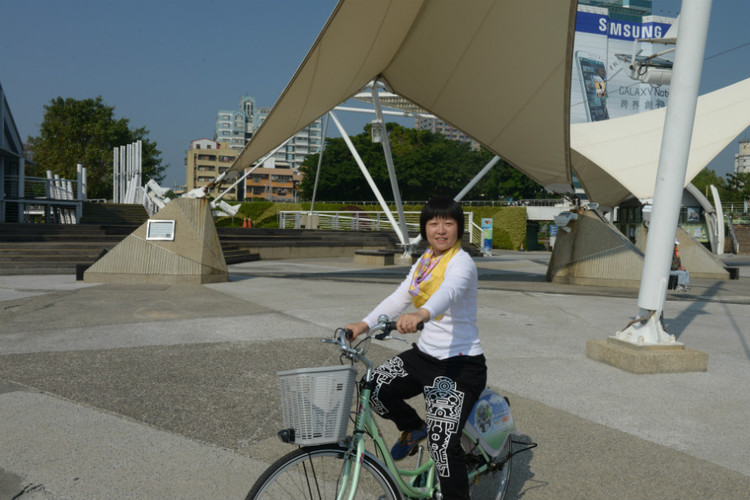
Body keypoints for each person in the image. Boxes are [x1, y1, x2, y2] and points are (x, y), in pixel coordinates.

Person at [345, 197, 486, 500]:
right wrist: (363, 325)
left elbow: (449, 292)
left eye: (448, 223)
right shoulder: (425, 261)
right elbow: (399, 298)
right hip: (424, 357)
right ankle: (413, 427)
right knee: (373, 386)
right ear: (424, 228)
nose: (441, 229)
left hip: (459, 366)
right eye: (433, 223)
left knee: (443, 445)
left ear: (459, 228)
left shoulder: (461, 262)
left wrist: (422, 314)